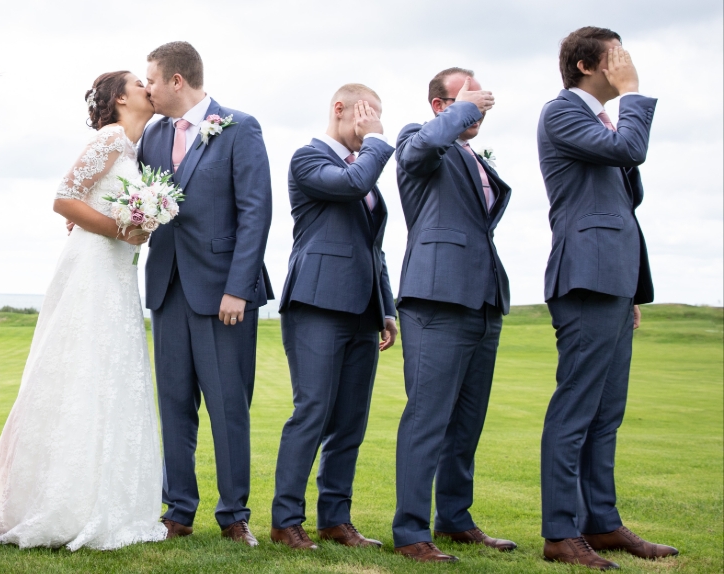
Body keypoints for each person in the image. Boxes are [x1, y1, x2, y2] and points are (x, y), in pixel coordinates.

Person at [0, 71, 167, 551]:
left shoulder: (132, 149)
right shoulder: (110, 138)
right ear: (119, 98)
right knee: (82, 369)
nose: (147, 88)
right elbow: (64, 198)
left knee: (111, 373)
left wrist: (139, 223)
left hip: (117, 270)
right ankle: (59, 500)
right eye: (138, 82)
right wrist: (120, 228)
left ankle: (105, 497)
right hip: (92, 267)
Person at [537, 27, 676, 570]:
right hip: (585, 279)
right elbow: (631, 149)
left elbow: (623, 196)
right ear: (588, 65)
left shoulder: (598, 123)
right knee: (575, 408)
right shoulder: (561, 112)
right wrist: (633, 92)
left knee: (606, 413)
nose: (626, 62)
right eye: (617, 54)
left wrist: (629, 289)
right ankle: (560, 533)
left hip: (613, 283)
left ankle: (602, 522)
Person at [138, 41, 273, 547]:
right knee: (174, 404)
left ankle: (234, 514)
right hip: (167, 288)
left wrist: (238, 288)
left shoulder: (240, 127)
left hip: (223, 294)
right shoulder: (153, 136)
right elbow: (138, 199)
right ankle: (178, 510)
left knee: (227, 405)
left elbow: (256, 212)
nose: (146, 88)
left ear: (177, 80)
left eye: (151, 79)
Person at [391, 67, 516, 562]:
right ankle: (410, 531)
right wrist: (467, 108)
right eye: (468, 96)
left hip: (482, 300)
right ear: (441, 106)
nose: (481, 104)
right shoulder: (418, 139)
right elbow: (420, 149)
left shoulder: (471, 157)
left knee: (467, 421)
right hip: (437, 298)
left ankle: (455, 519)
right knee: (427, 417)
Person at [270, 84, 397, 551]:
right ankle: (286, 521)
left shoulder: (362, 167)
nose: (372, 124)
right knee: (312, 412)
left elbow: (373, 248)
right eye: (366, 114)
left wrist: (386, 307)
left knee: (350, 421)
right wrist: (378, 141)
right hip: (317, 304)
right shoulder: (308, 159)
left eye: (377, 117)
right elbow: (351, 185)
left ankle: (335, 520)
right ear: (339, 109)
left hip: (364, 310)